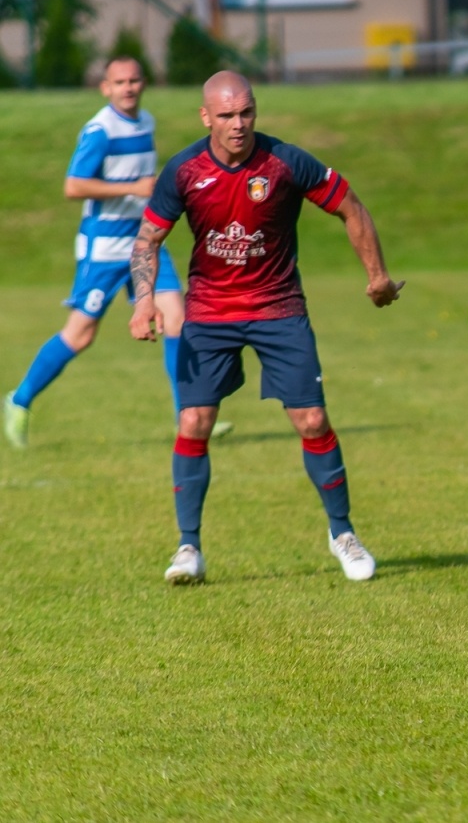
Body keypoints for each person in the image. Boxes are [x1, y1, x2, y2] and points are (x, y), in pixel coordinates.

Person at [128, 71, 403, 586]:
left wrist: (378, 276)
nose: (238, 124)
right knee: (194, 422)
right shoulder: (184, 170)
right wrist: (144, 302)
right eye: (226, 115)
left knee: (313, 420)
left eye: (246, 112)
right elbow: (147, 240)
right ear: (206, 117)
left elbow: (351, 207)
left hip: (278, 308)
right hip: (210, 312)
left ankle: (343, 533)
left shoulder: (286, 162)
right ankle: (189, 548)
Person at [4, 57, 230, 447]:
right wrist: (132, 188)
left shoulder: (146, 122)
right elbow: (73, 186)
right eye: (120, 82)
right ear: (105, 88)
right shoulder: (99, 131)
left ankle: (188, 419)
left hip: (145, 241)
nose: (128, 88)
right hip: (104, 248)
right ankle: (19, 400)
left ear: (144, 83)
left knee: (177, 318)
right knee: (80, 335)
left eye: (134, 80)